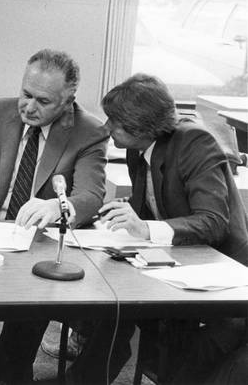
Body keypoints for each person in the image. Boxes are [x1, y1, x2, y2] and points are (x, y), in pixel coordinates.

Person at [68, 73, 248, 384]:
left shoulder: (195, 142)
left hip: (220, 278)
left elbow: (213, 220)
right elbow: (148, 208)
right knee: (112, 304)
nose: (105, 127)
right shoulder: (138, 148)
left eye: (114, 121)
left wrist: (146, 228)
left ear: (143, 127)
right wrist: (111, 223)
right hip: (174, 260)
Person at [0, 49, 109, 384]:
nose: (29, 106)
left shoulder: (89, 131)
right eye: (26, 94)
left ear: (69, 99)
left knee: (29, 306)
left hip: (38, 244)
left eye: (43, 101)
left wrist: (58, 206)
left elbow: (91, 196)